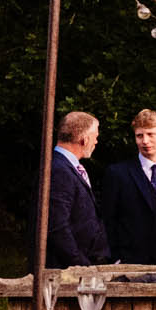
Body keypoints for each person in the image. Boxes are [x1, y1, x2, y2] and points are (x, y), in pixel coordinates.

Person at [98, 108, 156, 265]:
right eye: (139, 135)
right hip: (131, 262)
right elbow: (108, 220)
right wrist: (116, 257)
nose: (145, 141)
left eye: (151, 134)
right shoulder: (117, 173)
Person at [45, 110, 110, 267]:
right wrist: (79, 265)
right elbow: (57, 226)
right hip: (65, 271)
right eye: (95, 137)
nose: (96, 142)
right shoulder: (59, 170)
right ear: (84, 140)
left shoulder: (67, 166)